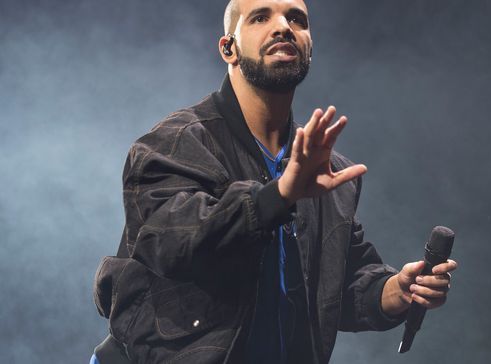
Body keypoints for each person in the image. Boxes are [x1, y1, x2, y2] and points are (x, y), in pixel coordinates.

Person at [91, 0, 458, 363]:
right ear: (228, 48)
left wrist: (397, 290)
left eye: (296, 19)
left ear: (309, 47)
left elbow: (335, 286)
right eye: (260, 17)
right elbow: (171, 241)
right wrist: (280, 195)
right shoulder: (175, 143)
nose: (283, 26)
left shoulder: (324, 171)